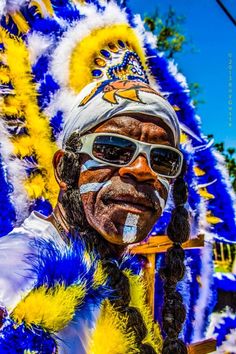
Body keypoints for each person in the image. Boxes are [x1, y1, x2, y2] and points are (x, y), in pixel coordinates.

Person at [0, 79, 189, 354]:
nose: (142, 169)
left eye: (162, 159)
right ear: (65, 167)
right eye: (113, 149)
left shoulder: (116, 275)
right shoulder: (15, 276)